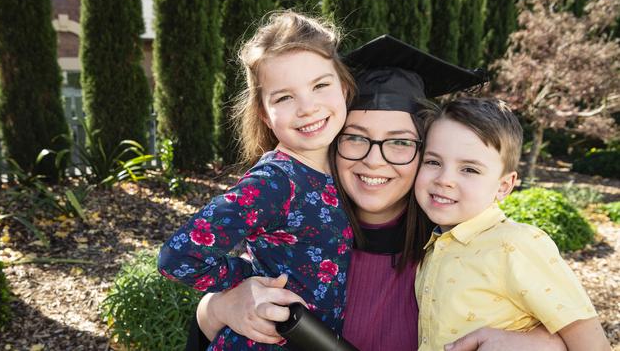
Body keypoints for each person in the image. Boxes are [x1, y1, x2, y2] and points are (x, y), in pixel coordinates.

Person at [192, 35, 567, 351]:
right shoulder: (297, 233)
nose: (374, 161)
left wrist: (541, 343)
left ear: (426, 153)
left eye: (400, 142)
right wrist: (219, 308)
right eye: (355, 138)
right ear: (332, 142)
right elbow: (211, 329)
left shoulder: (465, 254)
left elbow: (572, 335)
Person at [157, 11, 356, 350]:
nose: (307, 107)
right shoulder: (274, 183)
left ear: (345, 88)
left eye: (320, 85)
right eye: (284, 97)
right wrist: (247, 279)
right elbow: (177, 258)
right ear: (264, 112)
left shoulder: (345, 167)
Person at [414, 98, 610, 351]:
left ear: (504, 186)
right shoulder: (435, 245)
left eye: (470, 170)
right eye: (433, 162)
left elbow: (593, 346)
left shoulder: (517, 245)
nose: (445, 179)